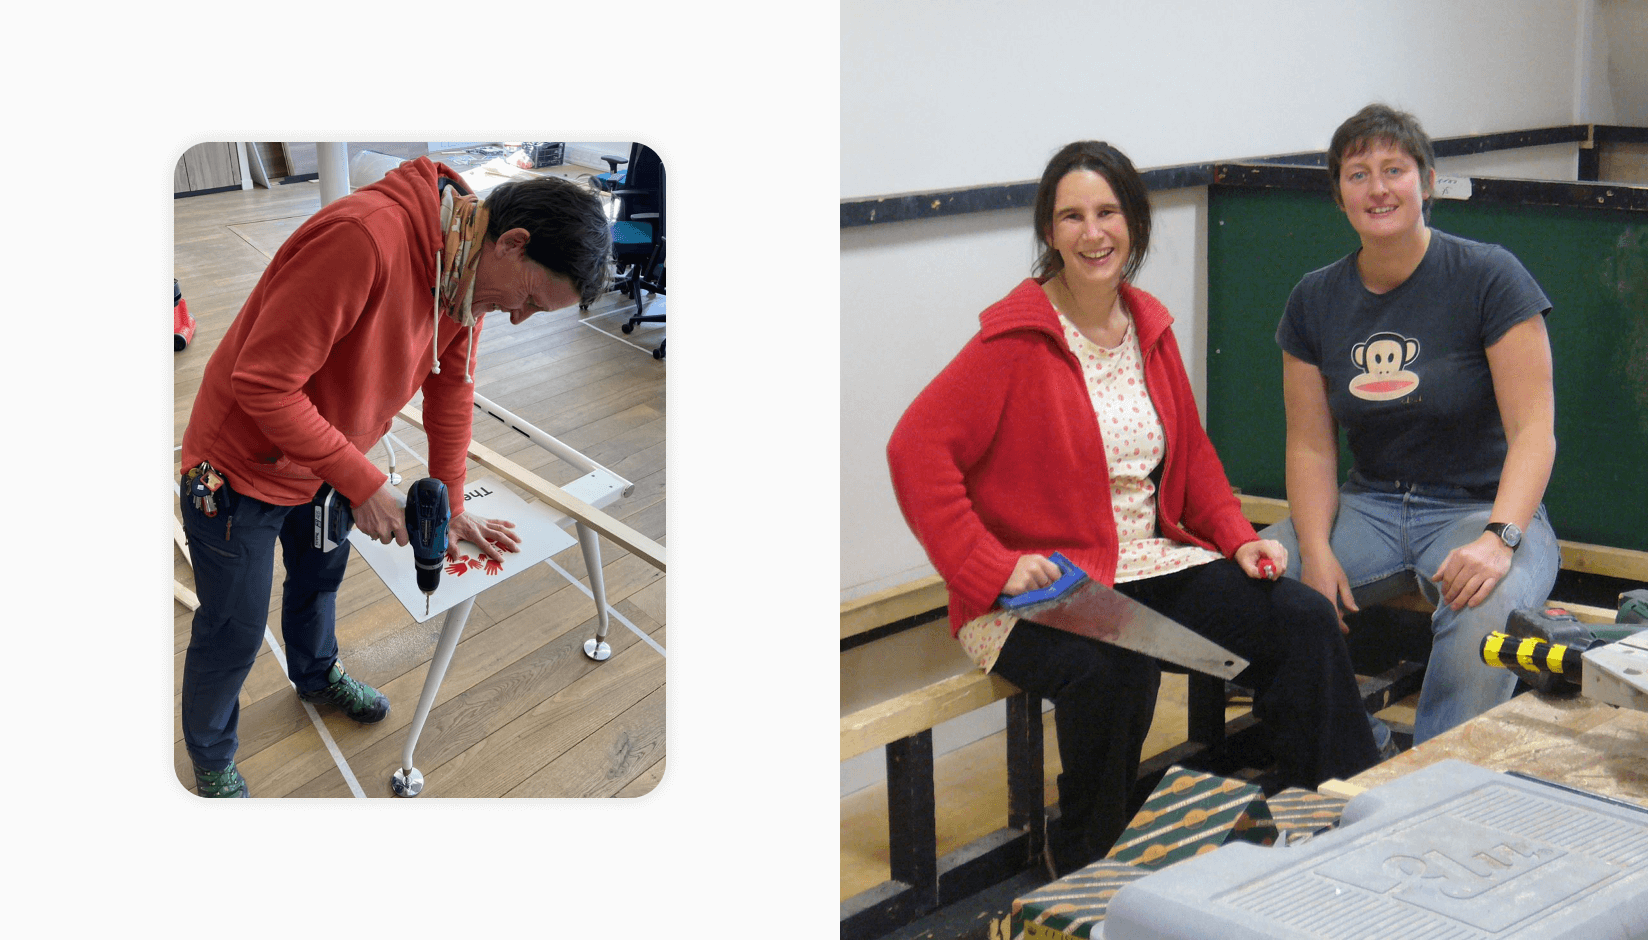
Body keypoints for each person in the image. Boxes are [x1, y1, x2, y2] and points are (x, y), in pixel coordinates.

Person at [886, 140, 1378, 876]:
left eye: (1108, 212)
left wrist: (1238, 539)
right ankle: (1087, 864)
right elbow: (913, 452)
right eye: (1072, 216)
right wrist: (988, 565)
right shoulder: (1013, 341)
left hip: (1144, 564)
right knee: (1114, 671)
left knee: (1300, 619)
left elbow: (1194, 460)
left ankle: (1339, 820)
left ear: (1135, 223)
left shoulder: (1147, 325)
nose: (1094, 232)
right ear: (1049, 234)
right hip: (1040, 591)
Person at [178, 157, 612, 797]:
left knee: (318, 580)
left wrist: (452, 503)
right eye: (528, 300)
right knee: (233, 629)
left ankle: (316, 674)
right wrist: (363, 482)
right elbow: (263, 385)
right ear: (513, 243)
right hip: (240, 470)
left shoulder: (465, 268)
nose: (518, 318)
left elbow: (452, 389)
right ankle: (211, 753)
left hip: (322, 460)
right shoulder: (364, 240)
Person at [1259, 103, 1559, 750]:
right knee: (1256, 581)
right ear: (1339, 195)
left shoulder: (1490, 276)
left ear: (1426, 182)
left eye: (1394, 169)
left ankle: (1428, 786)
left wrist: (1499, 540)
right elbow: (1310, 447)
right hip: (1368, 507)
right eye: (1357, 173)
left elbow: (1535, 430)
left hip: (1483, 509)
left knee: (1486, 604)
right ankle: (1362, 752)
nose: (1377, 187)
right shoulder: (1313, 299)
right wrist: (1314, 553)